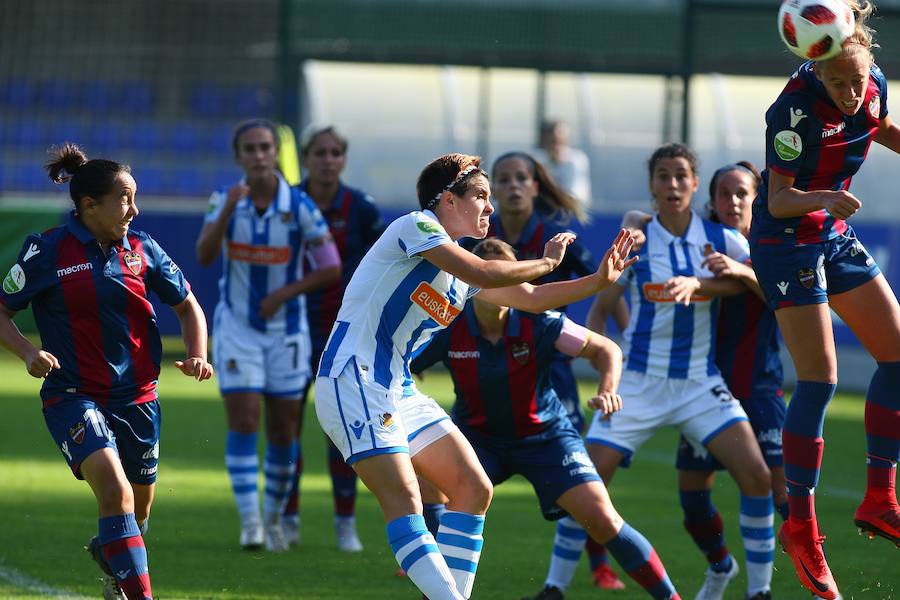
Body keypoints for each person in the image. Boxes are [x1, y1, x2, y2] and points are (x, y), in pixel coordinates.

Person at [313, 152, 636, 600]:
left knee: (473, 487)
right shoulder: (417, 226)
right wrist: (545, 261)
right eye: (481, 195)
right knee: (407, 502)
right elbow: (485, 270)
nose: (491, 206)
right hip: (354, 380)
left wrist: (600, 280)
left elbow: (534, 299)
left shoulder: (460, 267)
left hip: (396, 389)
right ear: (447, 200)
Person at [541, 143, 774, 600]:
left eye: (680, 176)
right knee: (582, 483)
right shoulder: (637, 239)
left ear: (693, 184)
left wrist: (706, 283)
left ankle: (759, 591)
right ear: (651, 184)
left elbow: (770, 291)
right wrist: (602, 372)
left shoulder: (725, 240)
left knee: (758, 477)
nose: (671, 184)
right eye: (663, 176)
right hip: (638, 385)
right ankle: (553, 588)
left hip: (699, 384)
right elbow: (602, 309)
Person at [411, 238, 682, 600]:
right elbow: (402, 362)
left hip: (545, 438)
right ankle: (442, 586)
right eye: (485, 274)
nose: (494, 283)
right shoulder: (450, 323)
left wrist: (608, 387)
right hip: (478, 440)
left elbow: (606, 350)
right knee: (424, 477)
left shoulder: (540, 322)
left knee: (602, 518)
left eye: (503, 274)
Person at [0, 143, 214, 600]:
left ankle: (112, 555)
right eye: (125, 199)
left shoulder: (143, 249)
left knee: (136, 511)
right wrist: (25, 352)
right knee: (115, 494)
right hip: (73, 394)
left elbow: (188, 306)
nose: (134, 210)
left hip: (138, 397)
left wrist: (197, 353)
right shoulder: (46, 251)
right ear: (89, 205)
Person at [749, 3, 900, 597]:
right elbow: (779, 199)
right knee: (821, 379)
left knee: (896, 354)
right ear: (813, 67)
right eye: (836, 82)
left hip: (832, 232)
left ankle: (880, 497)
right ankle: (802, 527)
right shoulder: (790, 110)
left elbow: (879, 125)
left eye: (855, 80)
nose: (848, 91)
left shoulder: (872, 85)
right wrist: (823, 199)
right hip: (786, 240)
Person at [618, 161, 785, 600]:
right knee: (693, 504)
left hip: (760, 388)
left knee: (782, 494)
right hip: (701, 387)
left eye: (742, 194)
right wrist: (634, 222)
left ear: (757, 201)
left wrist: (741, 271)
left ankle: (777, 588)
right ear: (710, 200)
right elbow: (646, 224)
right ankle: (719, 567)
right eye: (724, 194)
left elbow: (786, 300)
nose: (732, 202)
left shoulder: (771, 250)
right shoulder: (701, 245)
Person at [195, 118, 342, 552]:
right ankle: (250, 522)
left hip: (287, 333)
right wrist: (226, 211)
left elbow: (331, 265)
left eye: (265, 147)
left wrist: (285, 292)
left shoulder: (298, 205)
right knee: (243, 420)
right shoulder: (224, 199)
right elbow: (204, 255)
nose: (259, 155)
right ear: (238, 156)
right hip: (237, 328)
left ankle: (275, 517)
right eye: (250, 149)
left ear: (275, 154)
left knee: (283, 432)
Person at [487, 150, 628, 589]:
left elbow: (605, 282)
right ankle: (425, 548)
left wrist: (621, 332)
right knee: (455, 458)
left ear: (534, 187)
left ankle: (599, 562)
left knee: (577, 469)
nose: (512, 186)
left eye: (520, 178)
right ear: (492, 188)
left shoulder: (555, 236)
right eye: (503, 179)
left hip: (549, 364)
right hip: (489, 361)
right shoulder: (481, 239)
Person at [282, 123, 385, 551]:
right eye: (319, 153)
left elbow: (384, 263)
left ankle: (346, 523)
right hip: (290, 327)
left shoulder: (359, 206)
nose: (327, 160)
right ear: (306, 158)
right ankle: (285, 520)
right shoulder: (287, 202)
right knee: (286, 426)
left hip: (343, 333)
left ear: (343, 159)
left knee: (341, 427)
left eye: (334, 153)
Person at [532, 120, 593, 211]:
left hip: (572, 212)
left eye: (560, 136)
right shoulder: (536, 160)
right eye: (552, 139)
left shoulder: (577, 160)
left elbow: (575, 196)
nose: (555, 139)